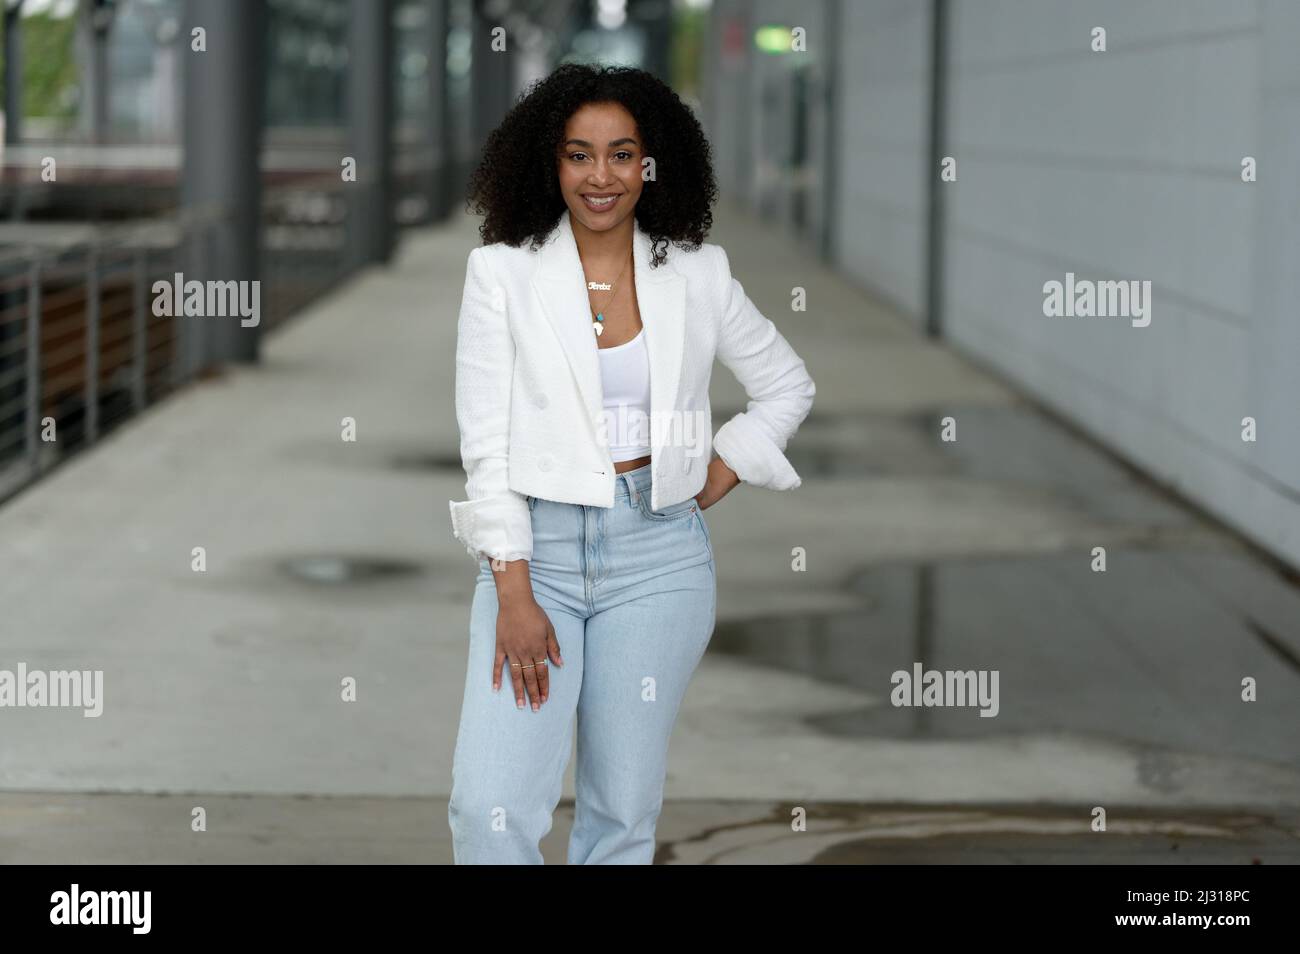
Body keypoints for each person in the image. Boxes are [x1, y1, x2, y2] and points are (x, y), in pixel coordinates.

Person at [446, 63, 815, 864]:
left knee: (620, 819)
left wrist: (717, 469)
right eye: (579, 155)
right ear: (551, 163)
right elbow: (487, 448)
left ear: (652, 163)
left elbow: (786, 384)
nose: (600, 176)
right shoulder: (502, 275)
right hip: (533, 555)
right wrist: (512, 586)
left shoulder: (697, 274)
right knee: (489, 808)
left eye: (622, 154)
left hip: (659, 561)